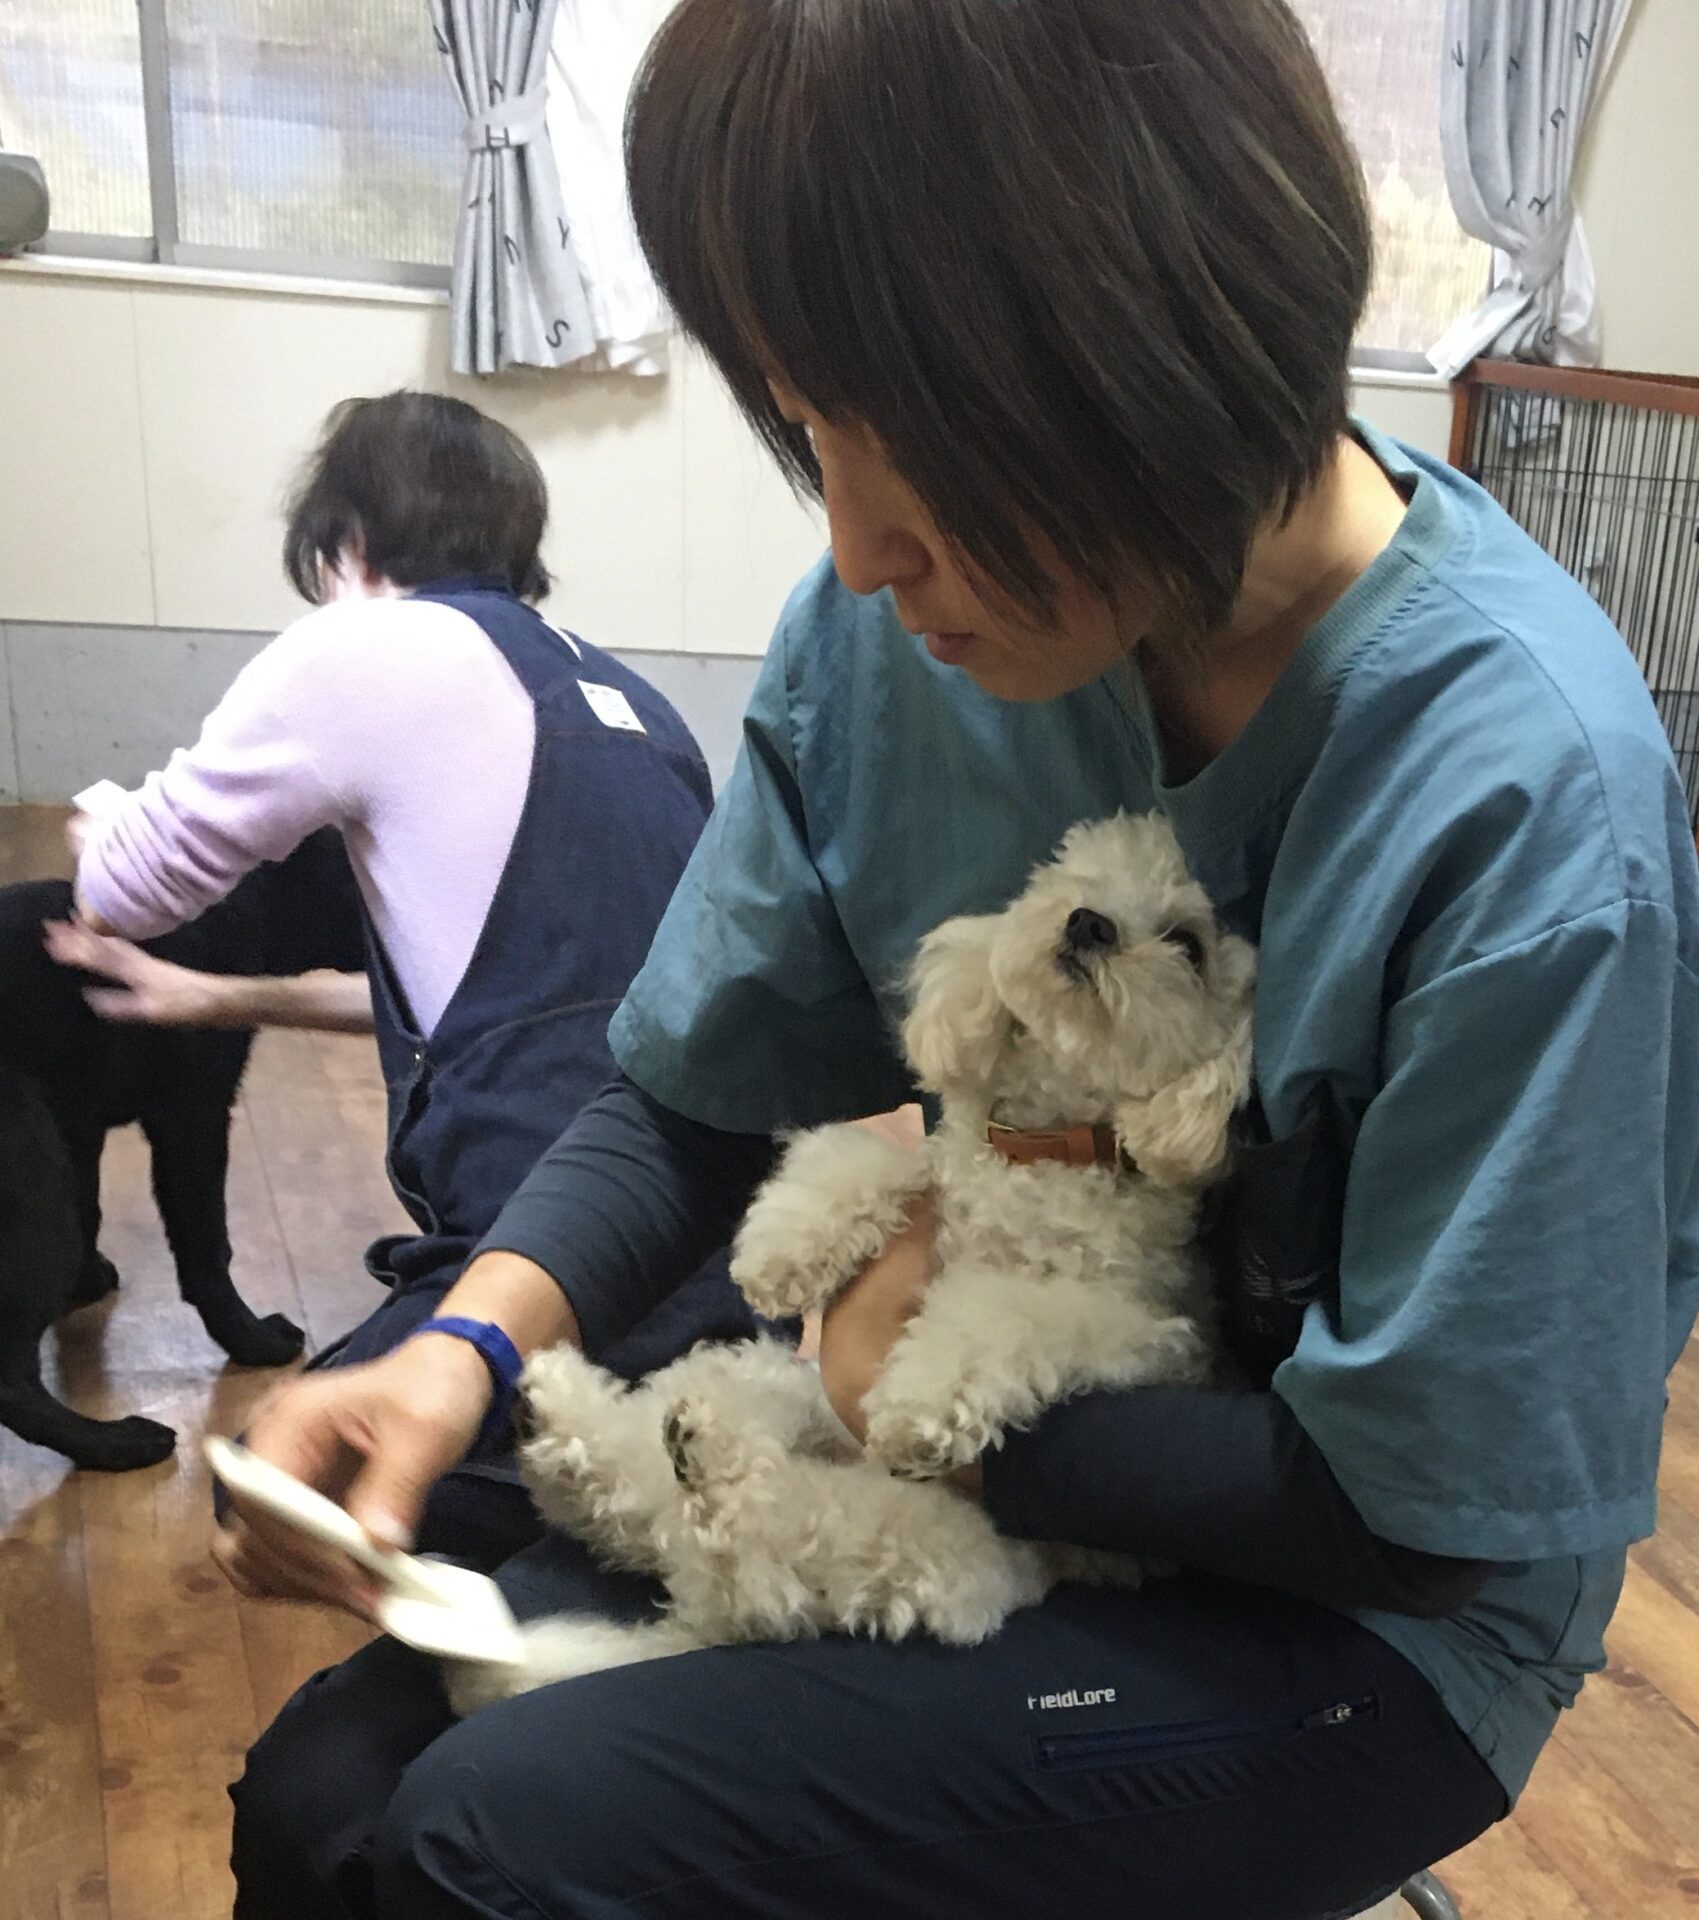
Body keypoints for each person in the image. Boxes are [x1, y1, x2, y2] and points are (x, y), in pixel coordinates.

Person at [214, 3, 1699, 1916]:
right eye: (805, 431)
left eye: (901, 439)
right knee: (323, 1795)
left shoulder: (1525, 804)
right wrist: (464, 1348)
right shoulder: (892, 647)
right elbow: (692, 1099)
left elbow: (1418, 1518)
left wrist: (881, 1383)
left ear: (1150, 342)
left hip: (1357, 1628)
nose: (851, 549)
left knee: (489, 1847)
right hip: (937, 1441)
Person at [64, 389, 754, 1566]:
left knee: (281, 1491)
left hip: (551, 1254)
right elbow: (512, 1007)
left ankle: (566, 1567)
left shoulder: (366, 644)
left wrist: (96, 825)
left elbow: (127, 888)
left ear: (346, 542)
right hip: (718, 1258)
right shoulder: (640, 709)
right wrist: (222, 1000)